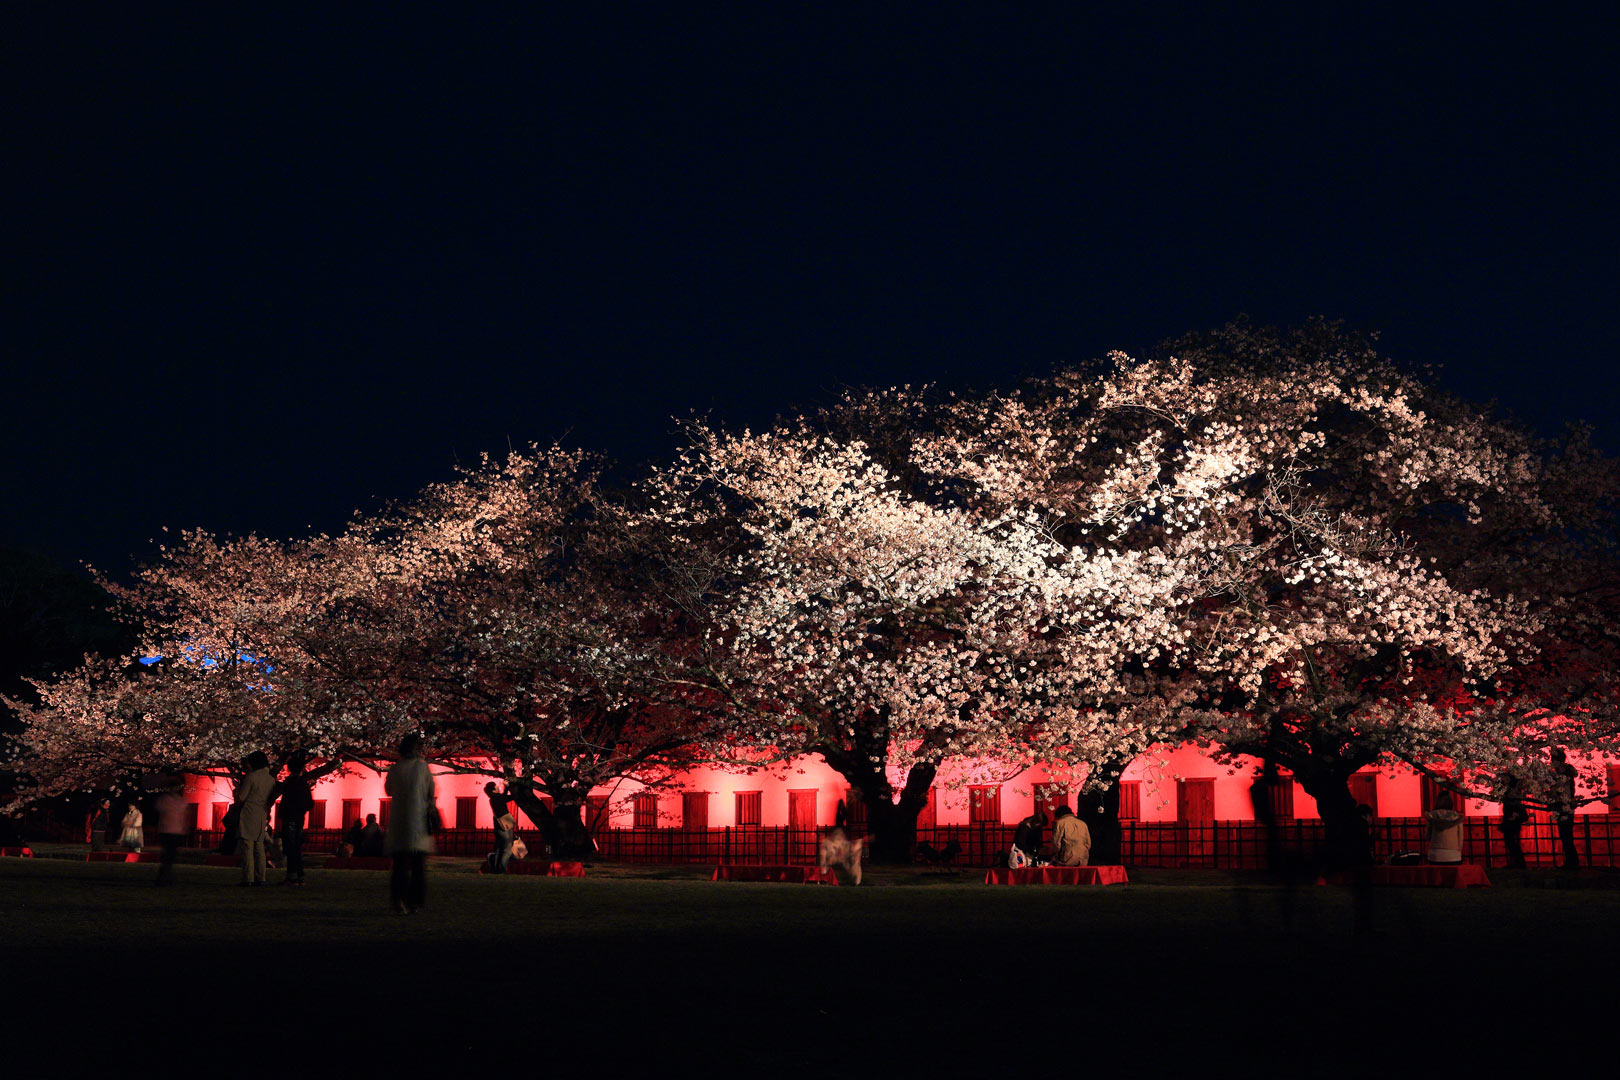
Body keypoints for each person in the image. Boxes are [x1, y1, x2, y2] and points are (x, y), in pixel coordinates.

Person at [384, 733, 437, 914]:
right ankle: (415, 902)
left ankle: (398, 900)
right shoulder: (422, 769)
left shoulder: (395, 769)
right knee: (417, 867)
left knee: (399, 866)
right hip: (418, 822)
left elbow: (388, 790)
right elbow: (431, 791)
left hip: (399, 822)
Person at [234, 751, 277, 886]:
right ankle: (261, 877)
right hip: (262, 813)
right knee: (259, 847)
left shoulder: (251, 777)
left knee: (247, 846)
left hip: (249, 812)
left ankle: (248, 878)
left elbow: (241, 796)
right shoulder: (271, 779)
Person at [277, 757, 314, 885]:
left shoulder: (289, 783)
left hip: (289, 817)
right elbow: (309, 803)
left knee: (290, 847)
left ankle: (292, 876)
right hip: (299, 818)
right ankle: (299, 875)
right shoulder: (303, 783)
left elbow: (285, 801)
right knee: (295, 847)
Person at [1550, 748, 1580, 870]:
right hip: (1562, 805)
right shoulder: (1561, 772)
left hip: (1564, 805)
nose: (1552, 762)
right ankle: (1571, 861)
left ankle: (1572, 862)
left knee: (1566, 835)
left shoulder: (1565, 772)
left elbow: (1562, 790)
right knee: (1565, 835)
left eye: (1553, 760)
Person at [154, 779, 188, 884]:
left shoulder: (179, 801)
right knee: (168, 854)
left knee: (170, 854)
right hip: (168, 829)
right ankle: (164, 876)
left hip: (174, 830)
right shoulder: (166, 800)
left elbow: (183, 816)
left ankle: (164, 875)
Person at [1496, 773, 1528, 870]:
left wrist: (1514, 814)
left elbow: (1515, 803)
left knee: (1511, 841)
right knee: (1511, 841)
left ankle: (1519, 863)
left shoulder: (1513, 790)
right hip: (1510, 816)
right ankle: (1517, 862)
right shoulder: (1508, 790)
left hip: (1512, 817)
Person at [1425, 790, 1463, 865]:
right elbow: (1460, 837)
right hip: (1454, 855)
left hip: (1435, 855)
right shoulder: (1456, 817)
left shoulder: (1432, 816)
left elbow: (1427, 837)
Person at [486, 783, 515, 874]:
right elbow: (505, 798)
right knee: (507, 850)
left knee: (499, 849)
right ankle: (501, 870)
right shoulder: (496, 799)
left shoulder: (494, 799)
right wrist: (507, 787)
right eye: (496, 786)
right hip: (504, 826)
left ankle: (496, 869)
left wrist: (507, 787)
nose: (498, 787)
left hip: (498, 827)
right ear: (493, 790)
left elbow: (506, 797)